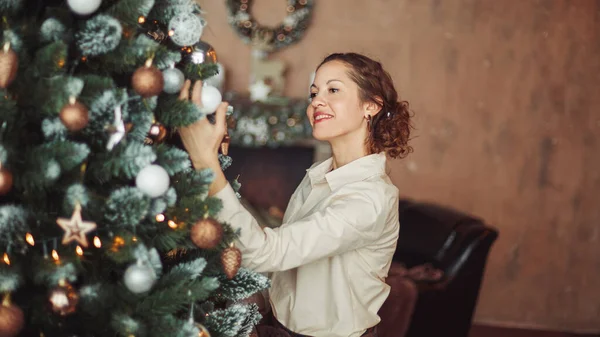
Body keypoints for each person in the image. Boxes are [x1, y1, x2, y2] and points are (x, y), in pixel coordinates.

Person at [178, 52, 413, 337]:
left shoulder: (370, 198)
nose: (317, 101)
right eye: (314, 92)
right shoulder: (319, 172)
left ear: (371, 106)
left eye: (333, 90)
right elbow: (283, 260)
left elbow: (265, 252)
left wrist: (206, 162)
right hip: (278, 325)